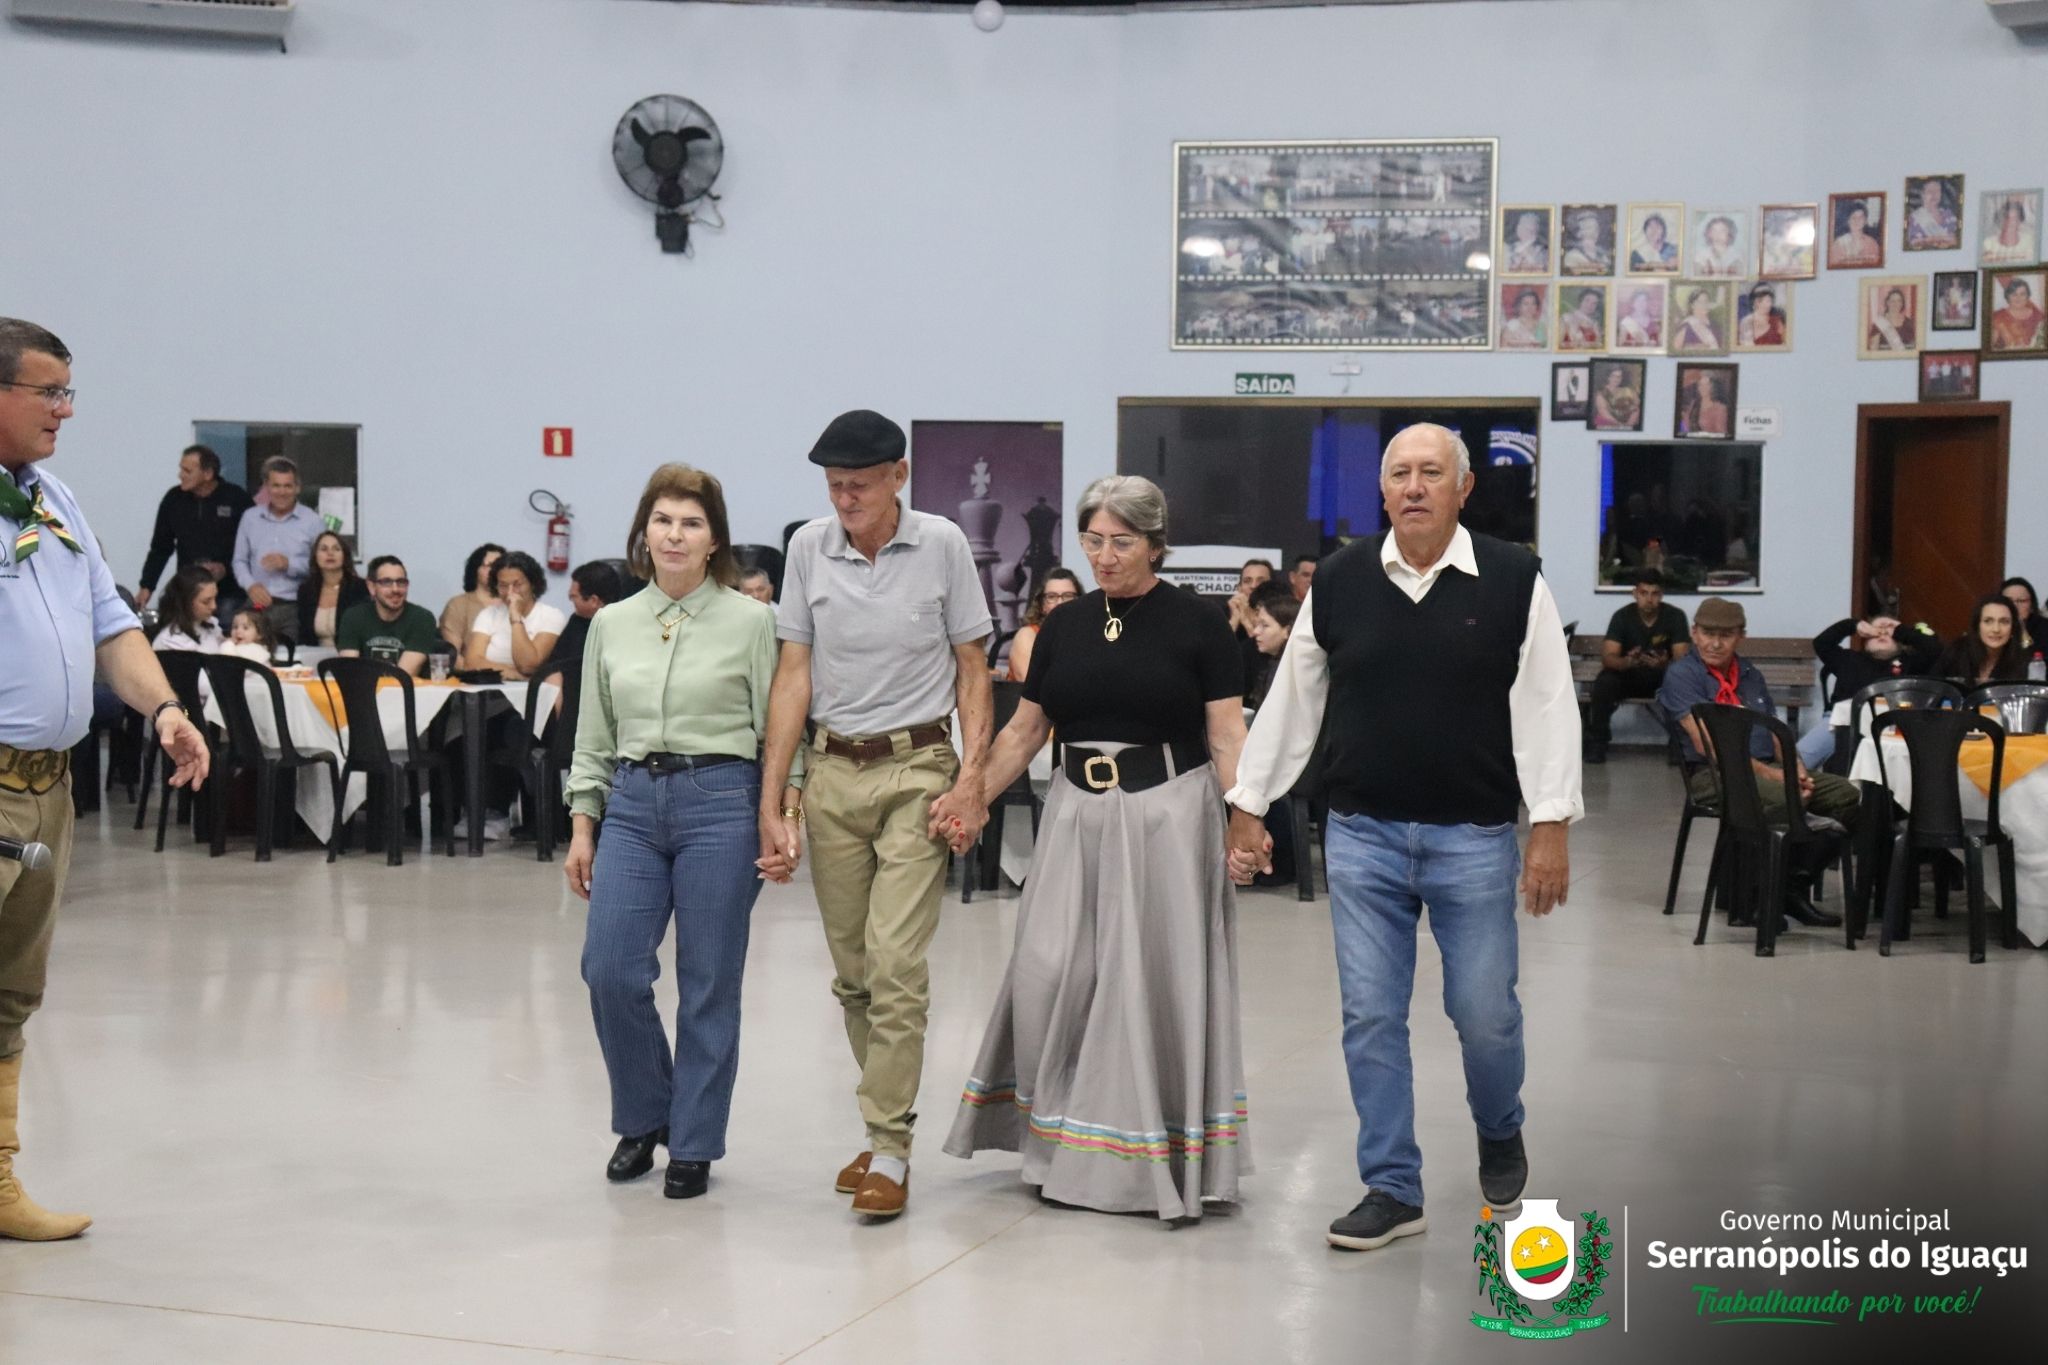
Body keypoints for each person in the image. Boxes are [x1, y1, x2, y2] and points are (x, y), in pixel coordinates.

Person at [1222, 422, 1582, 1253]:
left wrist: (1551, 823)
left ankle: (1500, 1126)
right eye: (1399, 474)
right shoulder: (1342, 580)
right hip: (1363, 835)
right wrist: (1249, 801)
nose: (1414, 486)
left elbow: (1545, 706)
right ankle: (1392, 1184)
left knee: (1483, 1012)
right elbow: (1294, 700)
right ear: (1382, 493)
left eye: (1432, 472)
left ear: (1464, 489)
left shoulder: (1513, 577)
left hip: (1475, 835)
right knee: (1371, 1015)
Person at [944, 475, 1250, 1221]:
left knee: (1147, 981)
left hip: (1167, 817)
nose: (1105, 557)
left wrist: (1247, 816)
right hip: (1076, 814)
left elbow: (1225, 734)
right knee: (1053, 969)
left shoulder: (1197, 622)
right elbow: (1025, 732)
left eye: (1122, 542)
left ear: (1154, 543)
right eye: (1095, 541)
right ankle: (1058, 1138)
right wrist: (969, 794)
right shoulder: (1067, 626)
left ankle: (1140, 1159)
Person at [0, 317, 211, 1241]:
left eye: (68, 391)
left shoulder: (53, 498)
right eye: (48, 392)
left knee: (12, 991)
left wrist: (164, 710)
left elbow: (109, 626)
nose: (65, 410)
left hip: (51, 786)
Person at [758, 409, 993, 1221]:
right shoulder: (805, 548)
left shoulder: (943, 545)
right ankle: (880, 1121)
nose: (845, 497)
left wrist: (970, 782)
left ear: (899, 475)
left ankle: (889, 1145)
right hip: (831, 774)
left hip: (917, 769)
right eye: (833, 484)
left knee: (896, 965)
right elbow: (794, 672)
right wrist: (774, 796)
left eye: (859, 482)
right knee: (854, 974)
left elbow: (974, 667)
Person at [562, 465, 788, 1202]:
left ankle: (693, 1140)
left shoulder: (752, 622)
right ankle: (645, 1113)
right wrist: (582, 823)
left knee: (708, 979)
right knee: (611, 968)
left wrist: (781, 811)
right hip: (629, 801)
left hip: (721, 800)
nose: (674, 534)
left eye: (691, 522)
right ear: (643, 532)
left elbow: (777, 730)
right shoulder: (611, 623)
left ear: (714, 537)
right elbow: (592, 732)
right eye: (663, 520)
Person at [1658, 597, 1859, 928]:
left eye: (1726, 634)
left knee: (1848, 797)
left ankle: (1790, 890)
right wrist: (1776, 778)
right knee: (1785, 798)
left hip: (1768, 768)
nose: (1715, 642)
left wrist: (1796, 770)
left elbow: (1777, 734)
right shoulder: (1683, 675)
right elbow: (1708, 743)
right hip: (1712, 773)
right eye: (1707, 633)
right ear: (1694, 633)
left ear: (1741, 636)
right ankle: (1753, 900)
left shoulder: (1750, 674)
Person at [1801, 614, 1938, 769]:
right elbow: (1822, 643)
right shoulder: (1849, 659)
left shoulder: (1909, 663)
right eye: (1877, 631)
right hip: (1840, 722)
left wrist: (1900, 630)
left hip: (1890, 726)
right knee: (1796, 760)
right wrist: (1853, 625)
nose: (1883, 633)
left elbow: (1933, 649)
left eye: (1889, 632)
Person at [1583, 570, 1688, 764]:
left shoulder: (1675, 616)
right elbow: (1608, 658)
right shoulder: (1622, 617)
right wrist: (1627, 662)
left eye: (1655, 593)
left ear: (1661, 595)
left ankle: (1678, 745)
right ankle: (1597, 743)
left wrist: (1664, 664)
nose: (1649, 599)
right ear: (1635, 594)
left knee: (1680, 681)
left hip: (1663, 678)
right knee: (1605, 682)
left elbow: (1683, 660)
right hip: (1630, 676)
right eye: (1644, 593)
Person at [134, 444, 251, 613]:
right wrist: (147, 586)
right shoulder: (173, 499)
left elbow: (253, 545)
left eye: (187, 471)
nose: (180, 475)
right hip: (188, 590)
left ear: (208, 473)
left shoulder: (236, 498)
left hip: (230, 591)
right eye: (181, 469)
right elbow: (160, 547)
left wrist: (225, 568)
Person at [231, 455, 323, 645]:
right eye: (276, 485)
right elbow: (239, 561)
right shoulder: (250, 517)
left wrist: (289, 564)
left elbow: (320, 567)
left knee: (292, 660)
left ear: (297, 487)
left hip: (295, 606)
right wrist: (251, 585)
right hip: (257, 604)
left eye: (288, 486)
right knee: (249, 656)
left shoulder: (313, 521)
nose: (282, 492)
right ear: (266, 486)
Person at [463, 550, 565, 682]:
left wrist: (516, 619)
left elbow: (527, 666)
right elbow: (471, 662)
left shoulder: (551, 616)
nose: (510, 592)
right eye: (503, 586)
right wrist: (510, 672)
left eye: (517, 585)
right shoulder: (488, 614)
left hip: (531, 693)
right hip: (491, 690)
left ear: (532, 584)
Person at [335, 555, 439, 675]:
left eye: (401, 582)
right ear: (371, 587)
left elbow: (403, 676)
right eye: (387, 582)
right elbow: (349, 671)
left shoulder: (422, 619)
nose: (395, 589)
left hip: (406, 692)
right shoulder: (353, 617)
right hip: (362, 690)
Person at [547, 559, 630, 671]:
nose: (570, 599)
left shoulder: (624, 629)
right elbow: (553, 664)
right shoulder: (577, 620)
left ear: (593, 601)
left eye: (574, 596)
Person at [295, 530, 369, 651]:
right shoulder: (306, 590)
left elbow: (363, 631)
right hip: (314, 656)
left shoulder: (359, 587)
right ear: (315, 556)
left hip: (351, 656)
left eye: (336, 549)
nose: (330, 553)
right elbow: (304, 635)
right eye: (324, 549)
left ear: (344, 556)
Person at [1933, 596, 2029, 687]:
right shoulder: (1956, 652)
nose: (1996, 629)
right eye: (1988, 621)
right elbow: (1934, 690)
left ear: (2012, 628)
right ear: (1977, 626)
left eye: (2004, 622)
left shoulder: (2022, 659)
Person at [1005, 567, 1080, 683]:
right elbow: (1032, 683)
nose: (1060, 603)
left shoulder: (1087, 636)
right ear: (1042, 605)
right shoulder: (1028, 635)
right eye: (1052, 597)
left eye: (1068, 596)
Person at [439, 542, 505, 650]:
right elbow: (454, 656)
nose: (496, 571)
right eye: (490, 566)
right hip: (472, 666)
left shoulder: (515, 603)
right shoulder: (458, 605)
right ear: (476, 570)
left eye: (501, 566)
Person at [149, 565, 224, 653]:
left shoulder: (212, 625)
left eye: (215, 598)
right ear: (185, 602)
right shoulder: (168, 642)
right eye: (206, 602)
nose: (214, 606)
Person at [1990, 278, 2045, 352]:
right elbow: (1989, 348)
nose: (2018, 298)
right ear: (2007, 296)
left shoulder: (2038, 316)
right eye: (2014, 294)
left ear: (2028, 296)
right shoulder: (1997, 317)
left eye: (2022, 294)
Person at [2000, 577, 2047, 659]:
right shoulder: (1990, 628)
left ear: (2032, 605)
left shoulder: (2045, 628)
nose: (2014, 606)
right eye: (2008, 601)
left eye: (2021, 601)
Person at [1982, 198, 2037, 267]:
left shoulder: (2030, 241)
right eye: (2006, 217)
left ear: (2019, 222)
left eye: (2013, 219)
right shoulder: (1988, 243)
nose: (2009, 222)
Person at [1906, 178, 1959, 251]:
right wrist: (1940, 239)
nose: (1934, 195)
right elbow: (1912, 243)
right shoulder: (1914, 218)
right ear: (1922, 194)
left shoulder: (1949, 215)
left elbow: (1956, 241)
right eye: (1930, 191)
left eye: (1937, 191)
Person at [1831, 200, 1882, 267]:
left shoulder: (1872, 243)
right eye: (1853, 217)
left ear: (1865, 221)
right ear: (1848, 221)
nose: (1857, 221)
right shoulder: (1838, 244)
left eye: (1860, 217)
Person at [1680, 370, 1731, 437]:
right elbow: (1686, 424)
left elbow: (1722, 435)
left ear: (1712, 387)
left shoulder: (1720, 409)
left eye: (1706, 385)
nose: (1702, 388)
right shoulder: (1694, 403)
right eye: (1700, 385)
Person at [1560, 210, 1612, 275]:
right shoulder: (1572, 256)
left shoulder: (1603, 256)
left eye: (1596, 227)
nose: (1595, 231)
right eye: (1589, 227)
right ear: (1580, 232)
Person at [1671, 287, 1722, 353]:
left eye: (1706, 301)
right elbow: (1675, 351)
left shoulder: (1715, 325)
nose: (1704, 305)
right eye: (1700, 302)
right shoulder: (1686, 326)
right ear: (1692, 305)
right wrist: (1694, 348)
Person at [1593, 364, 1642, 430]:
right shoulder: (1601, 394)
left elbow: (1638, 407)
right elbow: (1604, 413)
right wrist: (1621, 425)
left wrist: (1629, 424)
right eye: (1613, 376)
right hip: (1606, 424)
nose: (1616, 379)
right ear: (1608, 377)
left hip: (1628, 424)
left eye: (1619, 377)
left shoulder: (1627, 390)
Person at [1867, 286, 1915, 352]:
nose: (1896, 304)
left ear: (1902, 303)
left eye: (1899, 301)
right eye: (1893, 301)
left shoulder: (1909, 323)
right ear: (1887, 303)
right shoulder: (1879, 323)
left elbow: (1914, 346)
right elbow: (1873, 350)